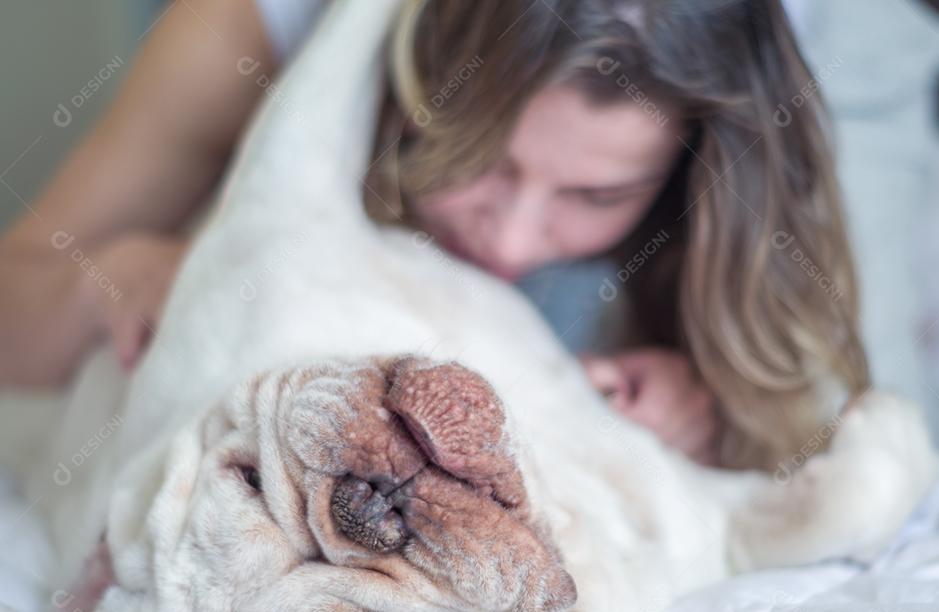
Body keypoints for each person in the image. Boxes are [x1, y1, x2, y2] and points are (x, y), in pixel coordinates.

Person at [0, 0, 868, 471]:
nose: (514, 241)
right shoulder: (252, 27)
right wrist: (109, 275)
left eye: (597, 194)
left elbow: (845, 421)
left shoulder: (784, 85)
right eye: (475, 159)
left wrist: (715, 408)